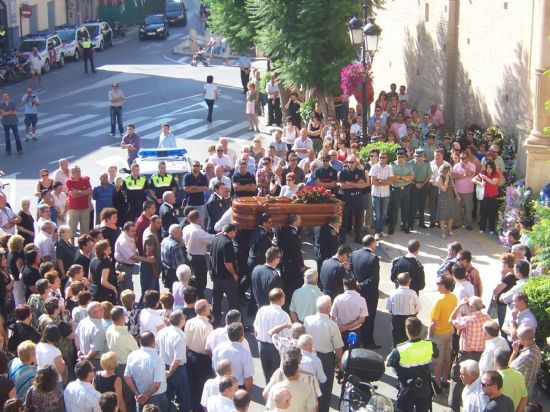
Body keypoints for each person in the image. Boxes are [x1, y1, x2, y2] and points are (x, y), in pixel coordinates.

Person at [448, 296, 491, 411]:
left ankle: (454, 407)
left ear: (471, 308)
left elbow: (451, 319)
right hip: (479, 354)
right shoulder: (487, 318)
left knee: (457, 379)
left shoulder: (468, 319)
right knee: (475, 379)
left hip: (465, 355)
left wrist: (459, 305)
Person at [386, 317, 438, 412]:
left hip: (407, 389)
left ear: (406, 331)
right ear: (421, 330)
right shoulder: (429, 345)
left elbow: (388, 363)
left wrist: (394, 351)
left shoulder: (400, 349)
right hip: (424, 388)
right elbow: (436, 354)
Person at [155, 310, 190, 412]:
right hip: (176, 370)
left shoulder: (162, 332)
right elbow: (177, 359)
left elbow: (156, 349)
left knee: (168, 398)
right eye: (184, 317)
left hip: (164, 367)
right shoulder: (179, 336)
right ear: (181, 321)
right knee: (184, 399)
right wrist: (170, 372)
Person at [124, 332, 169, 411]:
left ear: (140, 342)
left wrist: (137, 394)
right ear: (154, 343)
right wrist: (146, 396)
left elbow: (127, 377)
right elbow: (156, 384)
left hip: (139, 397)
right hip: (157, 399)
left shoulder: (132, 355)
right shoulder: (158, 359)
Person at [428, 275, 457, 392]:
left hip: (438, 334)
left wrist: (429, 336)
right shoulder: (453, 297)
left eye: (438, 283)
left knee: (437, 361)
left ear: (444, 286)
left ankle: (437, 383)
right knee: (447, 357)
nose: (437, 285)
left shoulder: (439, 301)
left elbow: (433, 322)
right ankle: (445, 380)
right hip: (449, 332)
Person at [184, 299, 214, 411]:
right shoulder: (207, 327)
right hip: (202, 359)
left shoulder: (189, 321)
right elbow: (208, 347)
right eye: (208, 306)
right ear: (205, 310)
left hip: (190, 356)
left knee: (193, 385)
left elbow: (186, 342)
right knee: (202, 386)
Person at [210, 223, 240, 323]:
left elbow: (211, 256)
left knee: (216, 301)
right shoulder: (228, 243)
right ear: (231, 231)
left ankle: (215, 321)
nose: (236, 234)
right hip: (227, 278)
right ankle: (235, 323)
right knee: (233, 302)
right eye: (235, 231)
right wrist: (234, 274)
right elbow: (227, 263)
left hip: (216, 275)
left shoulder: (215, 238)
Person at [212, 322, 254, 394]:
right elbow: (248, 378)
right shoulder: (245, 353)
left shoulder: (218, 348)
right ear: (242, 337)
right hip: (238, 388)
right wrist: (248, 392)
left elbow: (214, 367)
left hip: (220, 385)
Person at [331, 275, 368, 346]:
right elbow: (362, 319)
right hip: (354, 332)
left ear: (344, 286)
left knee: (341, 351)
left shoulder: (338, 299)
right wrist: (347, 327)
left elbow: (332, 317)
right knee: (353, 352)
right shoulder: (361, 300)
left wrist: (340, 328)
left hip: (340, 331)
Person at [386, 272, 421, 347]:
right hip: (410, 320)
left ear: (398, 282)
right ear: (409, 281)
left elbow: (389, 309)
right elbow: (418, 308)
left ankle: (396, 356)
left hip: (397, 320)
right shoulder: (413, 293)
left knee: (397, 341)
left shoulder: (393, 293)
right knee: (410, 341)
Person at [278, 214, 306, 308]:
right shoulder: (293, 234)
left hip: (284, 261)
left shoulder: (283, 230)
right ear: (294, 222)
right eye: (299, 220)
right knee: (296, 284)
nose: (301, 221)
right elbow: (296, 252)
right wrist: (301, 265)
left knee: (286, 283)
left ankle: (286, 302)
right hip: (293, 264)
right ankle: (295, 303)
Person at [509, 326, 542, 394]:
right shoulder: (535, 347)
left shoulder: (527, 356)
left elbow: (509, 369)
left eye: (519, 338)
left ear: (524, 340)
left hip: (522, 389)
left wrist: (514, 352)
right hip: (529, 385)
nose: (518, 340)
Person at [76, 301, 108, 369]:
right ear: (94, 313)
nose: (104, 311)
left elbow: (77, 337)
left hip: (83, 357)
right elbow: (95, 350)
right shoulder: (98, 329)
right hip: (95, 362)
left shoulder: (82, 322)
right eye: (101, 309)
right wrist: (86, 358)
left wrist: (79, 351)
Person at [390, 147, 415, 233]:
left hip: (406, 189)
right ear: (396, 156)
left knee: (406, 208)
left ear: (404, 157)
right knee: (394, 209)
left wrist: (400, 177)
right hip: (395, 189)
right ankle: (392, 227)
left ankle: (405, 226)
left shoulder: (408, 165)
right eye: (398, 157)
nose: (400, 158)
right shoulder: (392, 165)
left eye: (402, 157)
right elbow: (392, 178)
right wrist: (405, 178)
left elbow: (412, 177)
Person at [369, 151, 393, 239]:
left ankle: (381, 230)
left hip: (386, 194)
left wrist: (380, 181)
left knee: (384, 214)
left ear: (387, 159)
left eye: (383, 158)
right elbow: (373, 182)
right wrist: (384, 181)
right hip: (376, 194)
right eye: (380, 157)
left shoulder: (389, 168)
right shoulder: (374, 167)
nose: (381, 159)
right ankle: (377, 232)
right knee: (377, 214)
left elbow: (391, 181)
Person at [66, 165, 92, 237]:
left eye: (79, 171)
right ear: (72, 173)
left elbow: (90, 192)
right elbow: (73, 195)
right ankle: (71, 243)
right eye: (77, 171)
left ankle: (84, 243)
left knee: (85, 228)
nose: (79, 173)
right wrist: (84, 192)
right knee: (72, 227)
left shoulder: (85, 179)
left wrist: (78, 192)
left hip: (85, 207)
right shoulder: (68, 181)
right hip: (74, 208)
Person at [160, 224, 186, 291]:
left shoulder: (164, 240)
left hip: (166, 271)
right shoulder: (175, 246)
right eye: (181, 232)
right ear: (176, 233)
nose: (182, 234)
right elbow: (181, 265)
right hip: (175, 274)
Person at [437, 163, 459, 237]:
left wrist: (457, 195)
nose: (449, 172)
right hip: (443, 199)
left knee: (450, 216)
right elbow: (444, 188)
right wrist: (446, 178)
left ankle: (450, 231)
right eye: (447, 170)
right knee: (442, 216)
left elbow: (453, 186)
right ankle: (443, 232)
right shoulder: (439, 178)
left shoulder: (450, 177)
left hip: (450, 198)